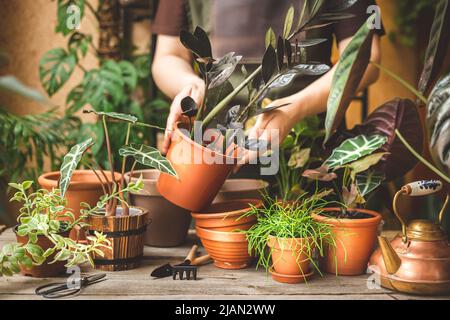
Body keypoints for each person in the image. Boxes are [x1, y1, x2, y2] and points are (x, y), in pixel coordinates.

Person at [151, 0, 385, 168]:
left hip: (307, 151)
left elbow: (367, 58)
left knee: (305, 234)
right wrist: (190, 85)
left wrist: (296, 107)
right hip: (216, 153)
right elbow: (168, 56)